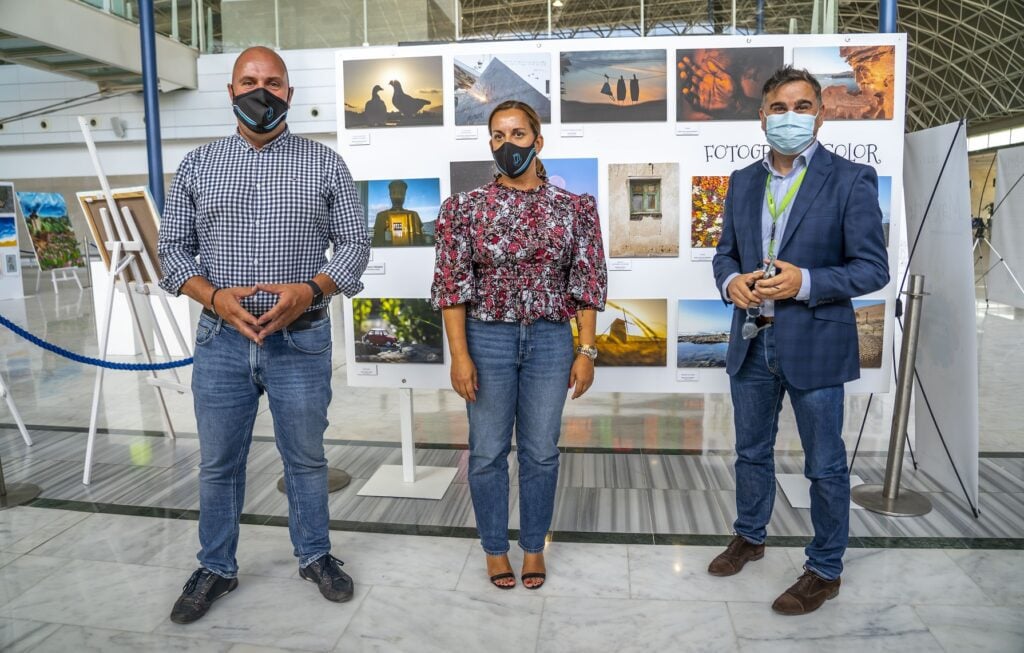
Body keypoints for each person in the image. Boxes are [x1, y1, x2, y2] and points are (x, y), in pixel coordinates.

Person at [157, 46, 370, 623]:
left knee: (306, 459)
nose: (261, 91)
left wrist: (311, 289)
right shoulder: (198, 165)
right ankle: (215, 567)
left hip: (300, 339)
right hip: (221, 341)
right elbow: (172, 250)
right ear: (230, 92)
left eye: (272, 82)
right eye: (248, 81)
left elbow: (355, 244)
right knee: (218, 463)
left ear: (289, 94)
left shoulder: (325, 164)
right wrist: (213, 297)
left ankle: (315, 555)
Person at [710, 66, 889, 615]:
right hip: (752, 340)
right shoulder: (743, 180)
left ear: (821, 114)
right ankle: (750, 536)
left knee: (825, 464)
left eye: (803, 106)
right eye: (780, 108)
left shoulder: (850, 179)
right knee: (750, 453)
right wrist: (730, 281)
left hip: (815, 342)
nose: (791, 116)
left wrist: (805, 282)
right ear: (762, 116)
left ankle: (825, 569)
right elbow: (725, 253)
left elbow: (872, 267)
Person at [431, 100, 607, 590]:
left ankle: (533, 547)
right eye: (497, 135)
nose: (507, 143)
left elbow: (587, 283)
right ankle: (494, 549)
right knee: (487, 451)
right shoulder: (463, 209)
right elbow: (451, 287)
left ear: (538, 140)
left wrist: (586, 351)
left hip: (551, 339)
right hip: (486, 338)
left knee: (541, 451)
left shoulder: (575, 208)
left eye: (517, 134)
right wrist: (460, 356)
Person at [371, 179, 425, 247]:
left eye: (401, 193)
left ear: (405, 195)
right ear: (390, 195)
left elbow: (420, 241)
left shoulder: (414, 215)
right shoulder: (381, 216)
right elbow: (376, 242)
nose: (398, 196)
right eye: (394, 192)